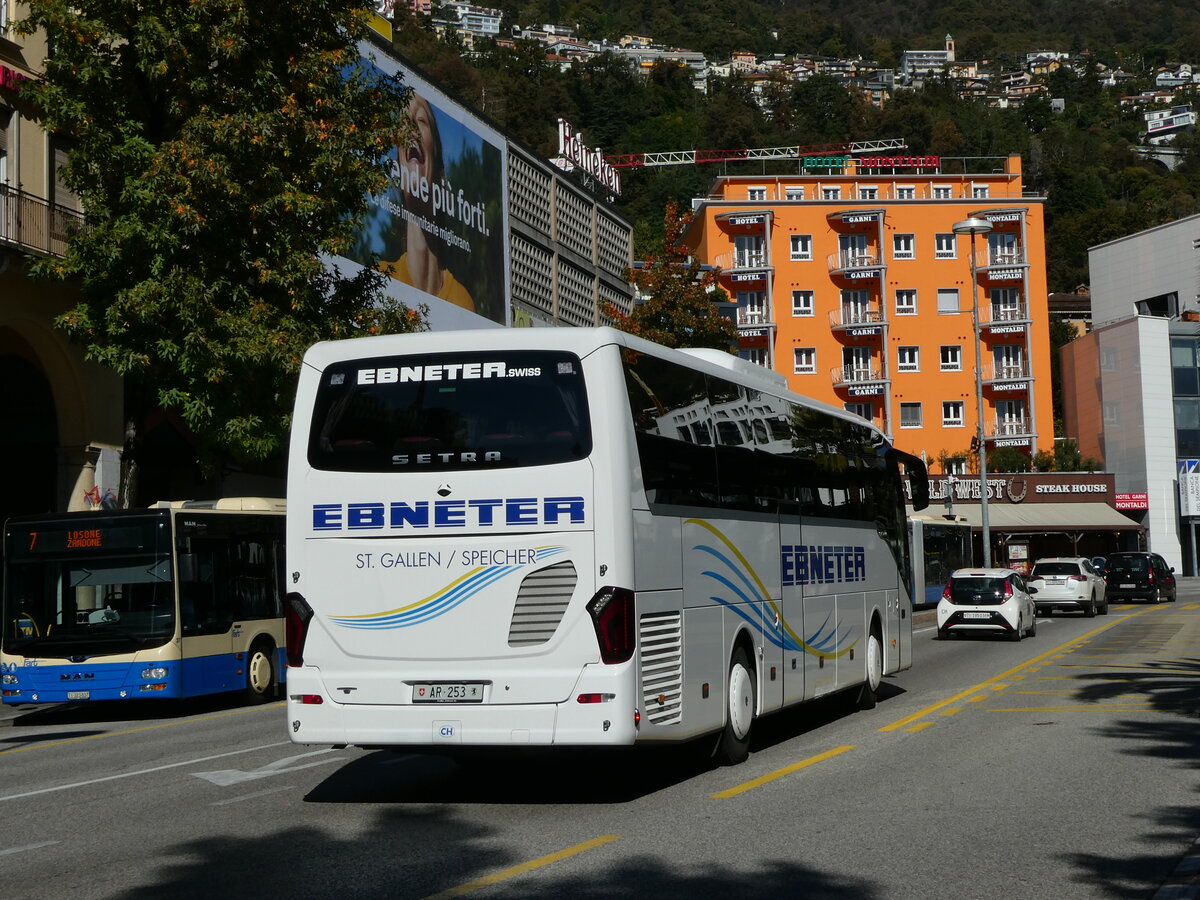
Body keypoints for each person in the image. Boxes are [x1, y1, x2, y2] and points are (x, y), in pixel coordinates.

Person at [379, 92, 475, 313]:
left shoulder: (463, 303)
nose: (411, 129)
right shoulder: (381, 277)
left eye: (421, 121)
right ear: (399, 176)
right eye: (405, 122)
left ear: (441, 177)